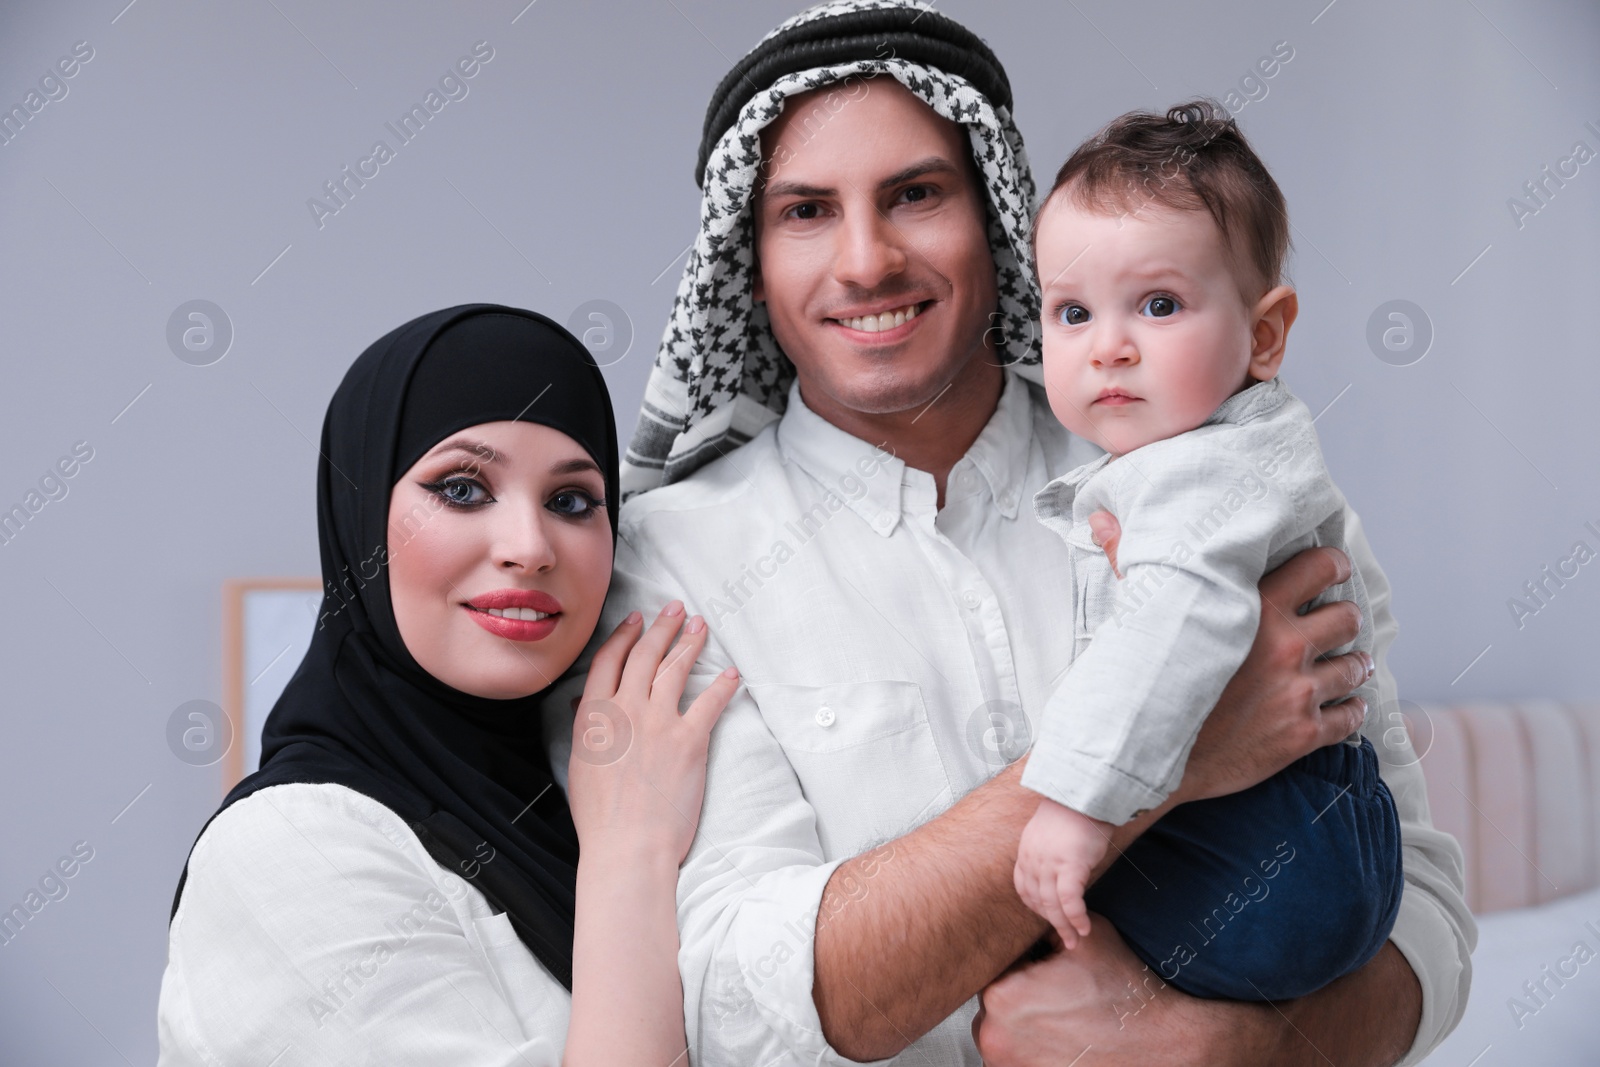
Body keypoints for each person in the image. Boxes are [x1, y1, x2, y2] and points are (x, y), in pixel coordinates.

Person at [549, 2, 1474, 1065]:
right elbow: (733, 998)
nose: (865, 261)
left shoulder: (1231, 485)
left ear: (993, 212)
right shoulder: (661, 566)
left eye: (914, 194)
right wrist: (1174, 752)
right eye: (805, 211)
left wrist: (1228, 1051)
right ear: (747, 263)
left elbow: (1428, 919)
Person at [156, 305, 741, 1065]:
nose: (530, 548)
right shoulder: (286, 852)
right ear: (360, 513)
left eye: (571, 501)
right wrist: (629, 854)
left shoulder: (598, 787)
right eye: (463, 488)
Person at [1011, 100, 1403, 1002]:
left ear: (1264, 335)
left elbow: (1171, 626)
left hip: (1276, 842)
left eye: (1158, 305)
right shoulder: (1222, 447)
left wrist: (1076, 807)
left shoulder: (1206, 468)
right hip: (1326, 831)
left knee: (1021, 951)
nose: (1108, 346)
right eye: (1071, 311)